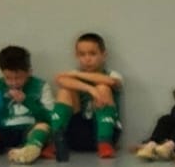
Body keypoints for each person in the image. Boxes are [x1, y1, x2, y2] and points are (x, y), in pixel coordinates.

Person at [52, 31, 125, 159]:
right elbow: (59, 79)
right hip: (78, 132)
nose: (87, 59)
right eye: (82, 54)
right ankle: (57, 140)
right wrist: (90, 89)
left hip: (105, 131)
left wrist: (77, 74)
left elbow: (111, 82)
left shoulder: (112, 74)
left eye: (92, 54)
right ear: (77, 56)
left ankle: (105, 143)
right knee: (65, 90)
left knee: (103, 88)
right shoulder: (73, 76)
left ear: (103, 55)